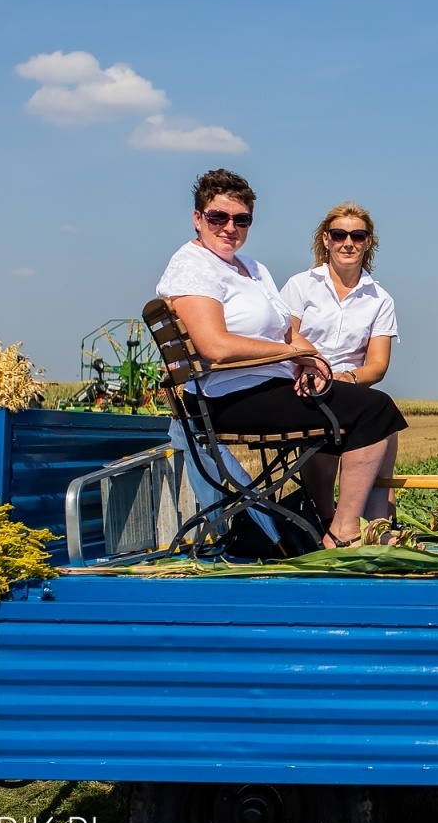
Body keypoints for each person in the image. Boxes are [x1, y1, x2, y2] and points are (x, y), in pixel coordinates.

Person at [156, 170, 406, 549]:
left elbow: (287, 332)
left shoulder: (252, 268)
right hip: (227, 395)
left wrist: (310, 362)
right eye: (218, 218)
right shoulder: (194, 266)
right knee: (375, 410)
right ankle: (341, 531)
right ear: (197, 219)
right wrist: (294, 354)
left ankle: (357, 523)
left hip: (264, 383)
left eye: (241, 219)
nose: (230, 227)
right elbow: (215, 347)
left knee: (366, 408)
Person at [281, 202, 400, 526]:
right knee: (373, 413)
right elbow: (284, 336)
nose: (348, 243)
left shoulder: (380, 299)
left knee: (379, 411)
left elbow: (377, 365)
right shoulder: (300, 286)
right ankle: (335, 519)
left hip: (348, 382)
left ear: (369, 242)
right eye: (339, 234)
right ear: (325, 239)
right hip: (301, 379)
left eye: (357, 236)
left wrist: (344, 378)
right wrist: (312, 368)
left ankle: (376, 520)